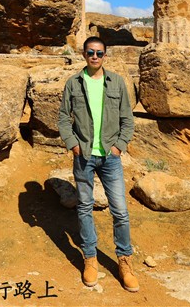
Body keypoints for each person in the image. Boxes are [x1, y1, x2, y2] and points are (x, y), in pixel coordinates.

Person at [57, 36, 138, 292]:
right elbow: (62, 118)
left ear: (105, 55)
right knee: (84, 207)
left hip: (110, 157)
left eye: (99, 53)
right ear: (83, 54)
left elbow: (128, 118)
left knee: (120, 211)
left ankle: (124, 260)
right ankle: (90, 258)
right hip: (84, 156)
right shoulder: (73, 83)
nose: (95, 56)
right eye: (90, 52)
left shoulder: (116, 82)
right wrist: (73, 143)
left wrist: (118, 146)